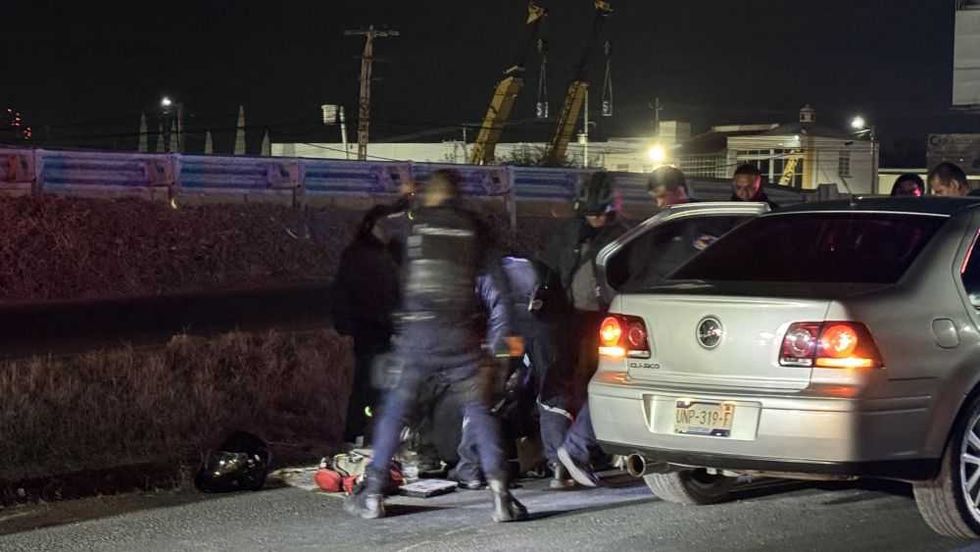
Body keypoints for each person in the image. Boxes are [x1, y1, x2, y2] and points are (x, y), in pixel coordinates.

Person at [345, 169, 527, 523]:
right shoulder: (474, 229)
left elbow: (378, 231)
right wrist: (500, 347)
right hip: (461, 336)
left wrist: (405, 199)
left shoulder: (413, 223)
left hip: (418, 335)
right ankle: (501, 495)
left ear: (428, 195)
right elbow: (501, 289)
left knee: (395, 409)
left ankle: (372, 494)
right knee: (479, 410)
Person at [454, 254, 577, 490]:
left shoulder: (479, 272)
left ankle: (470, 469)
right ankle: (560, 466)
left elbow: (480, 317)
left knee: (484, 396)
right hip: (544, 332)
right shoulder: (534, 266)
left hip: (509, 335)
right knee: (551, 394)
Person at [541, 172, 629, 487]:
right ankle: (564, 457)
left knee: (575, 388)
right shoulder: (578, 234)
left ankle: (564, 458)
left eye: (598, 212)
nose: (594, 218)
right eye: (590, 212)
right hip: (575, 322)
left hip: (592, 322)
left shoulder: (611, 235)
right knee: (571, 388)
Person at [332, 205, 402, 443]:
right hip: (369, 327)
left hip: (391, 328)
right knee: (366, 384)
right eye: (383, 225)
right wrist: (345, 323)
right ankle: (356, 434)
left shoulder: (392, 254)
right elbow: (342, 292)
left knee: (389, 385)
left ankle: (380, 434)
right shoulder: (357, 254)